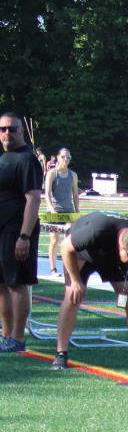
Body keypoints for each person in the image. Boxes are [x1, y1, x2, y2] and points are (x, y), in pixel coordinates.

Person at [51, 214, 128, 371]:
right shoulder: (95, 231)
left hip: (111, 255)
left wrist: (123, 293)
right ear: (122, 247)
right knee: (73, 296)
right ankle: (61, 354)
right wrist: (76, 281)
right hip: (82, 253)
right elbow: (65, 247)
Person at [0, 114, 43, 354]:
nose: (7, 133)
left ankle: (17, 338)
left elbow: (33, 199)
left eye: (12, 128)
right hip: (2, 231)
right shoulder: (4, 157)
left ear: (21, 131)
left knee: (17, 283)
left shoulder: (27, 159)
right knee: (2, 284)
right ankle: (6, 335)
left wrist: (24, 236)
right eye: (2, 129)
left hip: (16, 231)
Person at [44, 148, 80, 276]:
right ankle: (53, 269)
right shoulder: (52, 173)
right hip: (55, 211)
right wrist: (52, 209)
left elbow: (75, 194)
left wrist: (77, 211)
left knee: (68, 241)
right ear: (58, 157)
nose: (66, 159)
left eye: (68, 157)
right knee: (54, 240)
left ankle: (68, 269)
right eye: (64, 157)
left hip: (69, 211)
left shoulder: (73, 175)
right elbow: (47, 194)